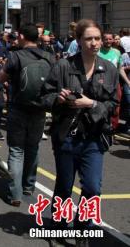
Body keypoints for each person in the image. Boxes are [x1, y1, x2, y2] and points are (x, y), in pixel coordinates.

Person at [42, 19, 118, 247]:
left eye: (97, 38)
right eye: (89, 39)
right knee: (65, 185)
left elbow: (113, 102)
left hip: (94, 137)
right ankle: (59, 224)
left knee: (93, 187)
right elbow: (45, 97)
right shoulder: (63, 66)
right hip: (67, 136)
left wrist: (92, 104)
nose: (95, 43)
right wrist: (59, 98)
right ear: (79, 41)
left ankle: (84, 227)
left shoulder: (109, 68)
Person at [0, 24, 55, 207]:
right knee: (33, 147)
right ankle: (29, 185)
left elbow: (0, 79)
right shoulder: (49, 57)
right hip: (39, 109)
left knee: (16, 150)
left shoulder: (15, 56)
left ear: (21, 36)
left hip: (18, 108)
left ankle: (15, 194)